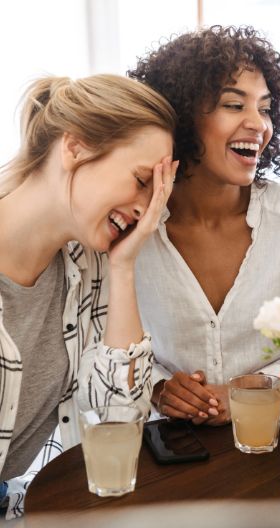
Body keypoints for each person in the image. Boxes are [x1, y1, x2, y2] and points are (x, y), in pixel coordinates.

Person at [128, 25, 280, 426]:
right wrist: (159, 387)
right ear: (182, 117)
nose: (259, 124)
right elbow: (100, 340)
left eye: (266, 108)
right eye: (234, 106)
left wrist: (254, 389)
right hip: (167, 452)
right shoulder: (132, 228)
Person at [0, 73, 177, 518]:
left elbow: (117, 421)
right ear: (75, 146)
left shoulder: (89, 263)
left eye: (157, 195)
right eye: (141, 181)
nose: (145, 212)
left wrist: (123, 268)